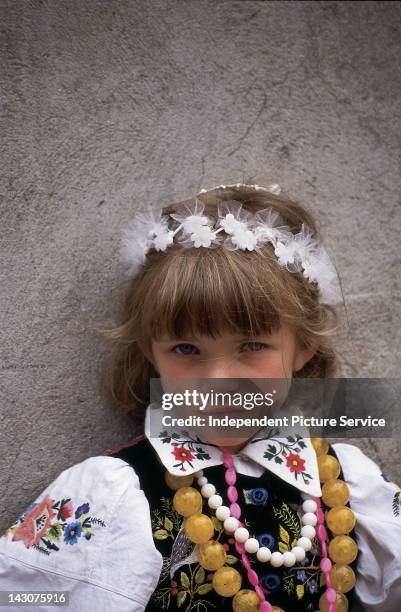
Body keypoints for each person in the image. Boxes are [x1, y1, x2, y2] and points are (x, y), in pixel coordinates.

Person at [1, 182, 400, 612]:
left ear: (303, 347)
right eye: (186, 350)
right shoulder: (112, 492)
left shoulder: (346, 481)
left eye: (252, 346)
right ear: (150, 353)